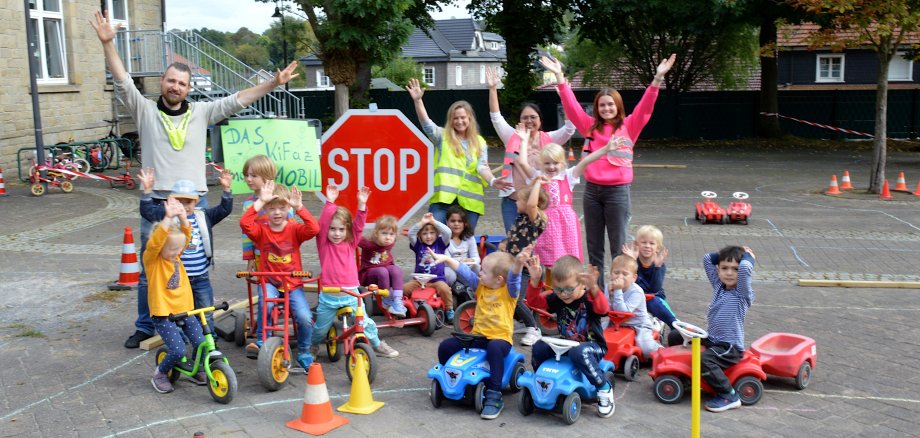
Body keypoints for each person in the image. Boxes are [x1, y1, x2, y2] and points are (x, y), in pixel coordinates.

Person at [93, 11, 301, 348]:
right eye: (171, 81)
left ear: (189, 88)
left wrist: (273, 84)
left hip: (196, 204)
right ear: (163, 81)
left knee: (198, 267)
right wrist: (107, 44)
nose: (176, 87)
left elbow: (238, 100)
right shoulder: (144, 110)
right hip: (159, 202)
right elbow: (122, 81)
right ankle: (147, 325)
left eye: (182, 83)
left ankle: (202, 323)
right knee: (151, 269)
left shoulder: (201, 112)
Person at [539, 54, 676, 289]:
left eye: (611, 104)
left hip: (617, 193)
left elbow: (645, 109)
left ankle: (620, 289)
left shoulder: (629, 127)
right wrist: (559, 77)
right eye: (602, 105)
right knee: (594, 247)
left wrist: (656, 80)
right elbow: (571, 107)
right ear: (596, 108)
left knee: (619, 246)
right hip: (592, 192)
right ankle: (597, 291)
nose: (606, 108)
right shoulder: (588, 126)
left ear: (618, 106)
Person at [429, 245, 529, 420]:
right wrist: (446, 259)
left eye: (483, 271)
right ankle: (450, 380)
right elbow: (465, 272)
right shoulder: (481, 286)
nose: (479, 273)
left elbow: (513, 279)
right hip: (477, 337)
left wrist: (519, 264)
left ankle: (494, 394)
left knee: (495, 349)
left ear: (498, 279)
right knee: (446, 346)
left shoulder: (509, 292)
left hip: (500, 340)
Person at [406, 78, 511, 232]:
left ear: (469, 119)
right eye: (455, 118)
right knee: (436, 240)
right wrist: (418, 101)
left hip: (470, 201)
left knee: (464, 245)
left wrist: (493, 181)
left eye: (463, 117)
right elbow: (427, 124)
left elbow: (482, 167)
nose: (459, 121)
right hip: (443, 200)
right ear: (451, 120)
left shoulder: (480, 142)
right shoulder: (442, 137)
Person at [138, 170, 233, 332]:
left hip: (201, 276)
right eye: (180, 202)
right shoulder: (167, 216)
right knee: (180, 313)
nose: (184, 206)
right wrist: (147, 191)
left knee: (206, 311)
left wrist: (226, 190)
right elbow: (147, 212)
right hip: (179, 278)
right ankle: (182, 340)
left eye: (189, 202)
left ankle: (210, 342)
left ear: (196, 202)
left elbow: (224, 210)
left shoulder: (204, 216)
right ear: (172, 201)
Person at [311, 185, 399, 358]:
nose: (337, 234)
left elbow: (358, 227)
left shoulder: (350, 243)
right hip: (329, 295)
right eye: (333, 229)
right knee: (320, 329)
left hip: (351, 293)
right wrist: (330, 202)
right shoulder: (324, 244)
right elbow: (323, 222)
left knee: (365, 323)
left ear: (347, 230)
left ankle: (377, 344)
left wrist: (361, 205)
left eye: (341, 230)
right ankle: (312, 346)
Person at [239, 181, 319, 370]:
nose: (276, 212)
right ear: (266, 210)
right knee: (266, 304)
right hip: (270, 281)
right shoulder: (261, 231)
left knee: (305, 317)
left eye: (281, 208)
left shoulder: (294, 230)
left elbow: (314, 229)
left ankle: (305, 351)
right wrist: (260, 201)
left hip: (292, 283)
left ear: (288, 208)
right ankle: (261, 342)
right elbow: (244, 223)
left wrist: (299, 207)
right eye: (272, 208)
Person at [485, 66, 576, 233]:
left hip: (541, 202)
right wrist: (492, 89)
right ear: (518, 121)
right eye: (524, 117)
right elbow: (496, 118)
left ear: (540, 120)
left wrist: (565, 97)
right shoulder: (511, 136)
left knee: (541, 245)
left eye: (533, 117)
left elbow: (570, 128)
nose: (529, 121)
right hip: (513, 201)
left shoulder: (550, 139)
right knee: (514, 244)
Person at [525, 255, 615, 418]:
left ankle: (604, 388)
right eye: (558, 289)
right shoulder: (557, 298)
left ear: (582, 284)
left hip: (592, 346)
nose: (563, 294)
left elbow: (603, 309)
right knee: (539, 346)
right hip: (565, 344)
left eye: (568, 289)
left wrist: (594, 288)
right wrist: (534, 281)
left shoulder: (588, 298)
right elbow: (535, 303)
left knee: (578, 352)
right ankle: (542, 382)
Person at [514, 126, 613, 267]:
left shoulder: (568, 176)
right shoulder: (537, 176)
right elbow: (523, 162)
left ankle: (572, 283)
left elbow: (586, 161)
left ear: (562, 163)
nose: (552, 167)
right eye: (547, 163)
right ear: (541, 163)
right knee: (548, 260)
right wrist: (523, 141)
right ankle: (547, 283)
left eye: (555, 163)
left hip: (567, 224)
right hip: (546, 222)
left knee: (570, 259)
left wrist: (606, 149)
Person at [146, 198, 205, 394]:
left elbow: (186, 236)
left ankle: (195, 369)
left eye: (179, 249)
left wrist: (182, 217)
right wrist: (168, 217)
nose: (177, 252)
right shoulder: (153, 261)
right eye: (171, 249)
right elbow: (155, 243)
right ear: (162, 247)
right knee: (178, 350)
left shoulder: (176, 254)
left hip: (184, 310)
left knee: (201, 342)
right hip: (163, 313)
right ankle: (160, 373)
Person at [701, 245, 756, 413]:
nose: (729, 273)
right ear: (718, 270)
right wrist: (725, 255)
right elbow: (707, 259)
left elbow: (746, 269)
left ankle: (729, 395)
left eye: (735, 269)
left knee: (704, 360)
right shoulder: (719, 286)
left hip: (729, 346)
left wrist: (748, 257)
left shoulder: (742, 293)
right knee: (676, 337)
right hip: (713, 338)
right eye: (724, 268)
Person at [504, 177, 549, 346]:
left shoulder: (536, 220)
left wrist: (537, 183)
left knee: (515, 298)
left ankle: (533, 328)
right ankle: (518, 322)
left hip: (523, 267)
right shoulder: (522, 217)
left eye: (519, 200)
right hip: (512, 264)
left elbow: (531, 204)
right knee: (508, 295)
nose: (516, 201)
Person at [621, 225, 682, 346]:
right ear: (636, 244)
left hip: (653, 297)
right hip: (635, 296)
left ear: (657, 247)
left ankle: (675, 326)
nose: (647, 246)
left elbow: (654, 288)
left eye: (652, 243)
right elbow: (630, 283)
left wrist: (657, 268)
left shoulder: (659, 264)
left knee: (655, 302)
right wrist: (631, 262)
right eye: (643, 242)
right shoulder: (632, 261)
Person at [403, 213, 455, 323]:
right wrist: (422, 222)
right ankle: (402, 307)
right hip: (418, 280)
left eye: (432, 233)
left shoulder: (440, 244)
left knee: (445, 289)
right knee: (404, 288)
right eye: (425, 233)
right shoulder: (418, 246)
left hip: (437, 280)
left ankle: (449, 309)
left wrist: (434, 222)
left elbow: (448, 232)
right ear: (420, 235)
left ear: (436, 234)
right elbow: (411, 234)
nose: (428, 236)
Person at [608, 255, 662, 358]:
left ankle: (660, 351)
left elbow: (622, 313)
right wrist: (610, 295)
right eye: (616, 273)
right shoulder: (609, 286)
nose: (619, 277)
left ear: (634, 278)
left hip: (638, 324)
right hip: (616, 323)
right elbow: (605, 309)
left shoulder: (636, 291)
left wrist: (618, 291)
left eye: (625, 274)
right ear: (611, 274)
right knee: (598, 335)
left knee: (646, 348)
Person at [359, 215, 407, 317]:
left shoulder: (391, 242)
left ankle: (397, 300)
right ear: (376, 233)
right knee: (382, 271)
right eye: (384, 233)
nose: (388, 237)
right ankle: (387, 299)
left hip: (385, 270)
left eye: (391, 234)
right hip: (369, 274)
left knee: (396, 270)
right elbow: (355, 236)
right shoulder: (368, 244)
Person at [443, 206, 481, 305]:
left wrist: (470, 261)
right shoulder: (444, 239)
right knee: (448, 274)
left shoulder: (469, 237)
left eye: (460, 221)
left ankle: (474, 291)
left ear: (465, 223)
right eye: (453, 221)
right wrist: (461, 263)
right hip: (452, 269)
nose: (456, 224)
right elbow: (447, 261)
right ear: (447, 222)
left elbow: (476, 258)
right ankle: (453, 292)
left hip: (466, 268)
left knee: (477, 267)